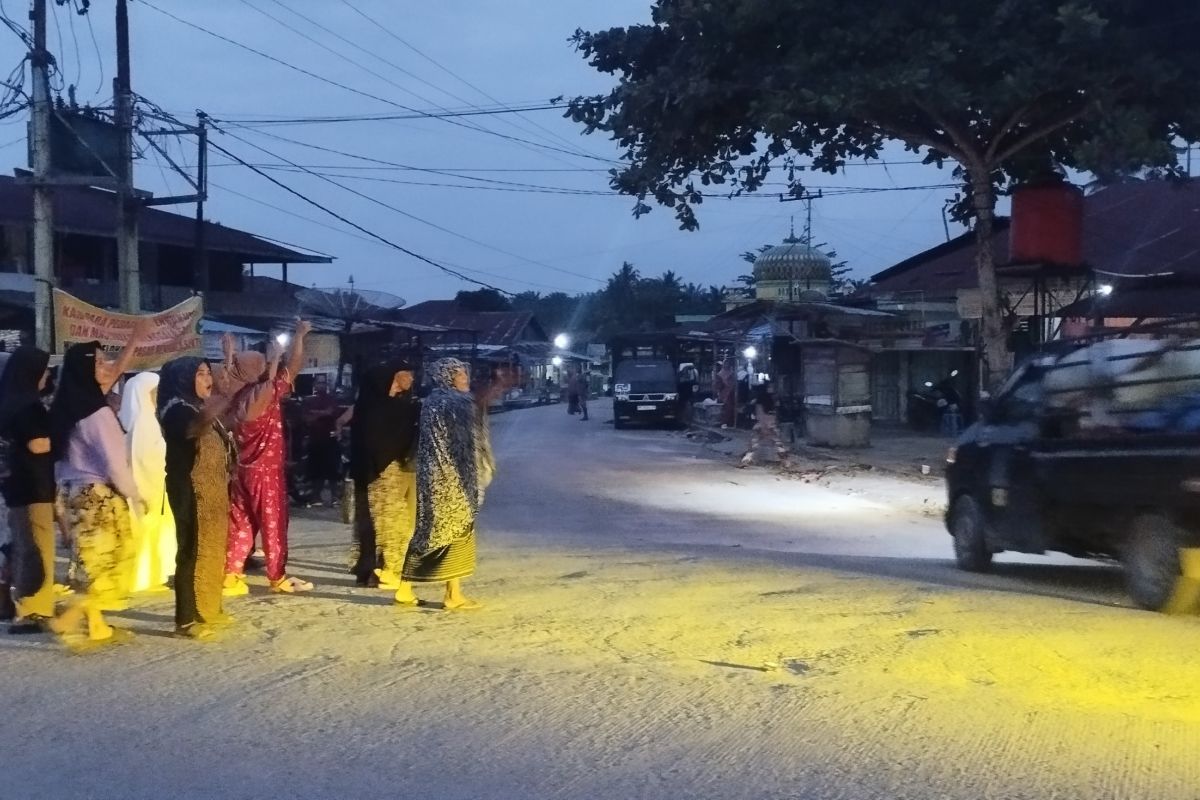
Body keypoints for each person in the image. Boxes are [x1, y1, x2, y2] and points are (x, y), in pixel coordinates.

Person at [49, 330, 148, 647]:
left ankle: (95, 624)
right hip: (99, 497)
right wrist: (135, 495)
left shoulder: (65, 409)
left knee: (90, 562)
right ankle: (70, 617)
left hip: (74, 494)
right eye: (100, 362)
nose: (107, 367)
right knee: (108, 562)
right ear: (85, 370)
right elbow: (114, 462)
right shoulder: (98, 414)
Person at [222, 321, 313, 595]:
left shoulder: (235, 395)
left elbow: (233, 374)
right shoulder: (263, 396)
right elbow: (294, 366)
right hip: (266, 473)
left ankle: (231, 575)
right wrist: (299, 336)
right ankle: (277, 577)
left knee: (242, 523)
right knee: (273, 525)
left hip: (242, 472)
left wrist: (230, 355)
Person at [402, 358, 495, 611]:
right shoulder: (458, 402)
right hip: (455, 478)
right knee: (457, 531)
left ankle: (408, 588)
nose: (466, 379)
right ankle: (452, 594)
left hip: (432, 477)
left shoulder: (430, 401)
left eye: (465, 374)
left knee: (429, 531)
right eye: (460, 375)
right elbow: (470, 440)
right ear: (447, 377)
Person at [159, 357, 236, 640]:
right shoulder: (177, 410)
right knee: (191, 550)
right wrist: (209, 413)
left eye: (208, 373)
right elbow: (190, 432)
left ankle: (207, 607)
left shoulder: (195, 407)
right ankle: (186, 618)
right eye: (200, 374)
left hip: (210, 488)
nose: (208, 379)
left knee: (209, 547)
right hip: (189, 487)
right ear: (184, 378)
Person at [349, 362, 420, 597]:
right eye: (404, 375)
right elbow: (375, 442)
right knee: (391, 521)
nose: (410, 378)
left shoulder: (398, 407)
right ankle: (388, 569)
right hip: (381, 473)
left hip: (385, 472)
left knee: (384, 521)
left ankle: (376, 568)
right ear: (391, 379)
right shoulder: (380, 409)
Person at [0, 347, 56, 632]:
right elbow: (38, 444)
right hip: (34, 486)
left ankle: (23, 605)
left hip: (15, 487)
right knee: (38, 547)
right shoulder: (29, 406)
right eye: (44, 370)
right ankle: (34, 609)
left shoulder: (8, 403)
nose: (46, 375)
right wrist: (61, 438)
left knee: (23, 546)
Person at [118, 372, 177, 594]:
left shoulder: (140, 419)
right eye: (154, 392)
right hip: (150, 488)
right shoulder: (144, 422)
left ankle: (154, 572)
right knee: (151, 529)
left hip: (148, 487)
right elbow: (150, 457)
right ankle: (151, 574)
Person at [302, 375, 342, 507]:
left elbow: (333, 413)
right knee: (316, 470)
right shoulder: (308, 401)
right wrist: (324, 413)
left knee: (332, 470)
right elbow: (307, 419)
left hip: (330, 439)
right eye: (319, 383)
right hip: (315, 440)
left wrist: (317, 413)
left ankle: (335, 497)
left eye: (324, 383)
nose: (322, 385)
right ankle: (315, 496)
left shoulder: (332, 399)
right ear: (314, 385)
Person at [740, 379, 790, 467]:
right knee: (777, 442)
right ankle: (785, 462)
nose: (772, 388)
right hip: (768, 424)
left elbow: (758, 413)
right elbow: (772, 413)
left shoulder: (760, 400)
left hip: (763, 423)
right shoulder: (769, 400)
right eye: (771, 387)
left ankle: (747, 459)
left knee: (755, 443)